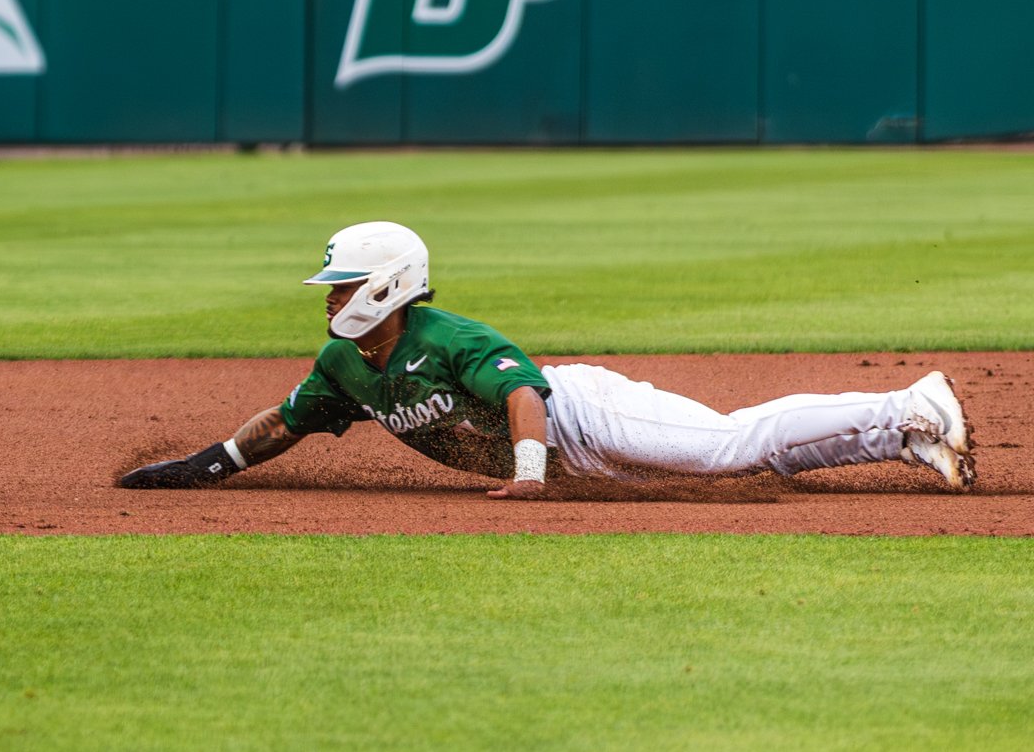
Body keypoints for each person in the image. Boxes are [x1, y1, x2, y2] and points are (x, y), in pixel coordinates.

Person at [119, 221, 975, 496]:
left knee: (725, 443)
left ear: (387, 286)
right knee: (739, 461)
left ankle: (911, 405)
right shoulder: (342, 368)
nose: (331, 299)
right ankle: (899, 440)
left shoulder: (443, 337)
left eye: (344, 286)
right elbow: (287, 423)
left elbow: (524, 390)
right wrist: (207, 463)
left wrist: (529, 470)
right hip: (573, 458)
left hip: (576, 414)